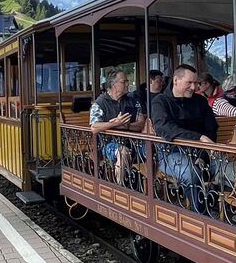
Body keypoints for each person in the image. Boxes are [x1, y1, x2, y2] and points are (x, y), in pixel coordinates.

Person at [151, 64, 217, 212]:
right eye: (189, 83)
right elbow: (165, 128)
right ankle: (200, 217)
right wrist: (199, 138)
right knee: (191, 173)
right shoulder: (160, 101)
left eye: (196, 83)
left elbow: (211, 128)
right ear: (176, 80)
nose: (194, 87)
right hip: (171, 154)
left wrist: (203, 154)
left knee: (234, 169)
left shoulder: (199, 101)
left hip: (203, 153)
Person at [91, 70, 145, 187]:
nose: (127, 83)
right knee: (123, 152)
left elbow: (141, 123)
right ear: (113, 84)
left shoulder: (132, 100)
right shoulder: (99, 103)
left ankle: (152, 189)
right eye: (124, 81)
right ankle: (121, 188)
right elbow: (94, 127)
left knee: (152, 150)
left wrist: (127, 126)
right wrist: (115, 123)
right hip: (108, 144)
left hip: (132, 142)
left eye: (127, 81)